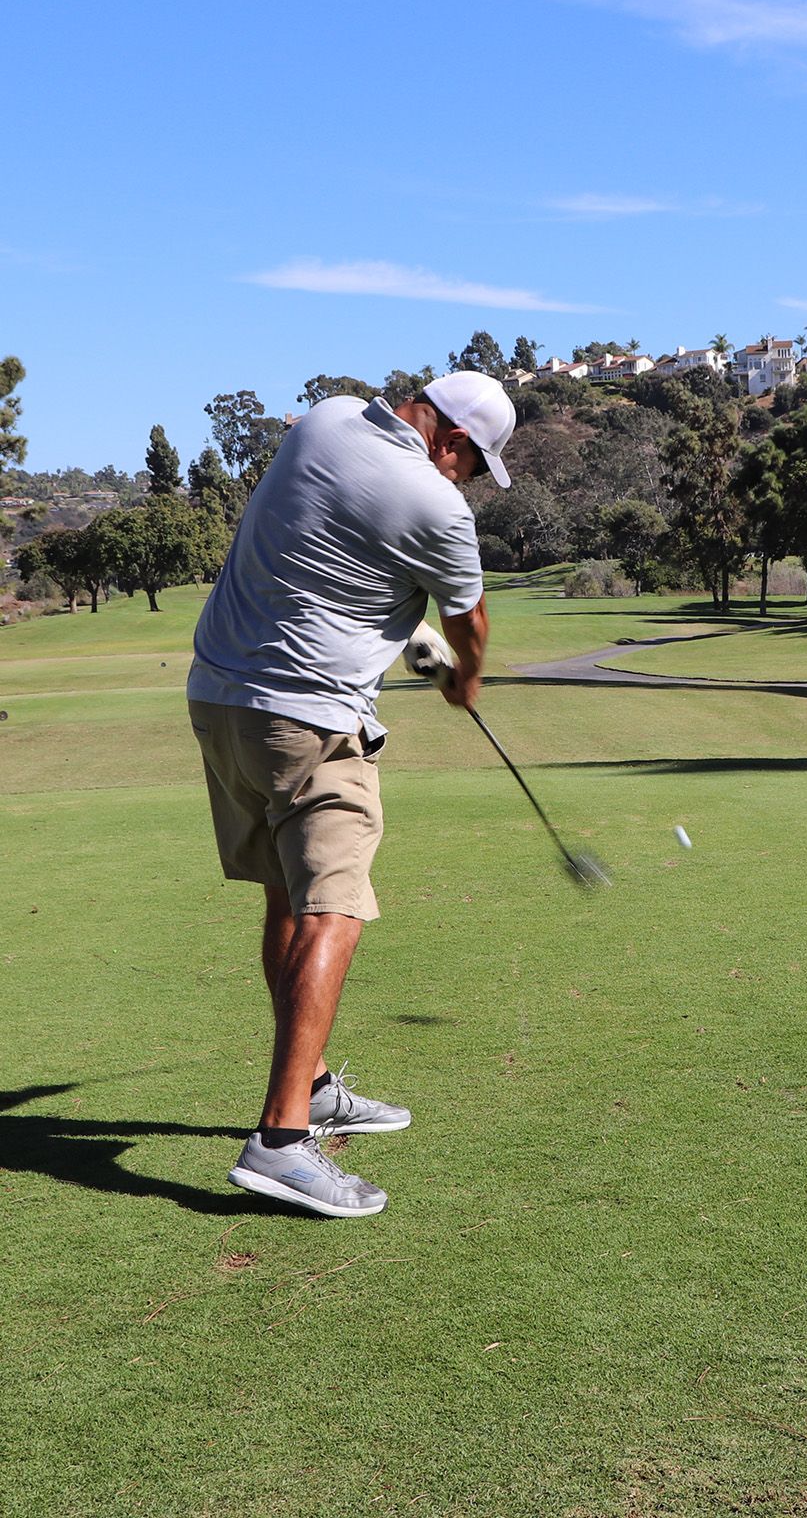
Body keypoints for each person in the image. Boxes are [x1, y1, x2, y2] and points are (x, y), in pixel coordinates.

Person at [186, 373, 516, 1218]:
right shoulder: (438, 508)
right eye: (475, 466)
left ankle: (317, 1084)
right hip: (310, 724)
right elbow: (469, 624)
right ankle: (283, 1140)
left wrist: (403, 628)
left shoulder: (323, 421)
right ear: (451, 440)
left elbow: (332, 548)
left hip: (221, 702)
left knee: (288, 899)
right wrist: (463, 682)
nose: (468, 482)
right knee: (335, 906)